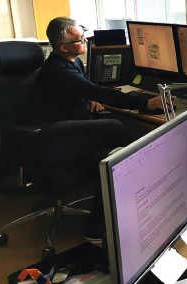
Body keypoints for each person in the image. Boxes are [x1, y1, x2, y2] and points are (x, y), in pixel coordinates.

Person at [30, 17, 167, 242]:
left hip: (73, 133)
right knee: (114, 129)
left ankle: (100, 227)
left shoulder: (71, 61)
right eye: (79, 39)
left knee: (113, 163)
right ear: (63, 47)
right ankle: (140, 176)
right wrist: (145, 104)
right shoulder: (58, 70)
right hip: (55, 138)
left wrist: (85, 98)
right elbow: (97, 91)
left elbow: (80, 90)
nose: (85, 41)